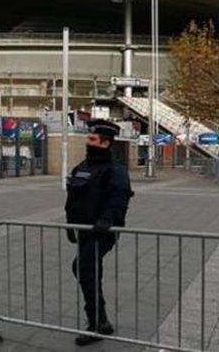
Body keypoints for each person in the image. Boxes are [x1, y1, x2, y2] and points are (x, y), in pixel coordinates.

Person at [64, 119, 134, 346]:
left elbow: (119, 197)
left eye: (92, 139)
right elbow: (72, 198)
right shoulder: (82, 167)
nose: (88, 142)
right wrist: (70, 223)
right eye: (88, 138)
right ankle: (101, 322)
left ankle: (97, 323)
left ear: (105, 143)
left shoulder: (115, 170)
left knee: (84, 268)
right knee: (89, 271)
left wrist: (107, 219)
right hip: (84, 230)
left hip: (103, 231)